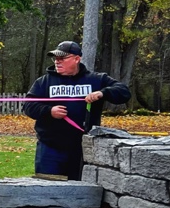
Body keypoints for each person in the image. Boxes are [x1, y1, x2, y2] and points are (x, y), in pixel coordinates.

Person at [23, 40, 131, 180]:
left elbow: (124, 92)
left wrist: (102, 93)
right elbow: (28, 106)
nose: (57, 61)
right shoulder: (44, 82)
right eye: (55, 58)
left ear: (76, 59)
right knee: (47, 189)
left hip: (83, 148)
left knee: (81, 190)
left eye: (62, 58)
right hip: (50, 149)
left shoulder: (95, 80)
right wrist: (49, 111)